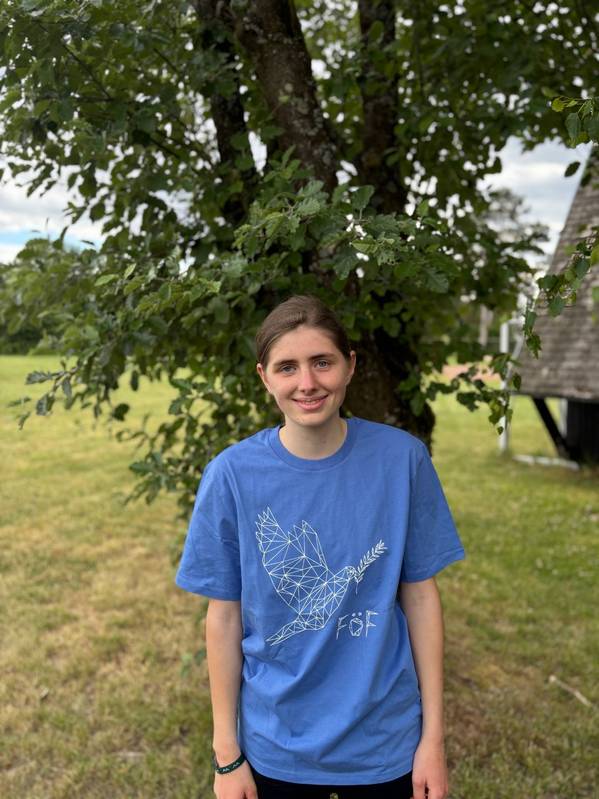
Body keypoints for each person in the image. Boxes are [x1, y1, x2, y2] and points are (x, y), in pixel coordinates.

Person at [175, 295, 465, 799]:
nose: (307, 383)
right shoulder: (232, 475)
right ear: (264, 377)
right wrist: (227, 755)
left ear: (350, 365)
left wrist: (432, 740)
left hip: (386, 746)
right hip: (275, 748)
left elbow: (421, 598)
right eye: (287, 367)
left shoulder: (402, 460)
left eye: (322, 362)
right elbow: (223, 618)